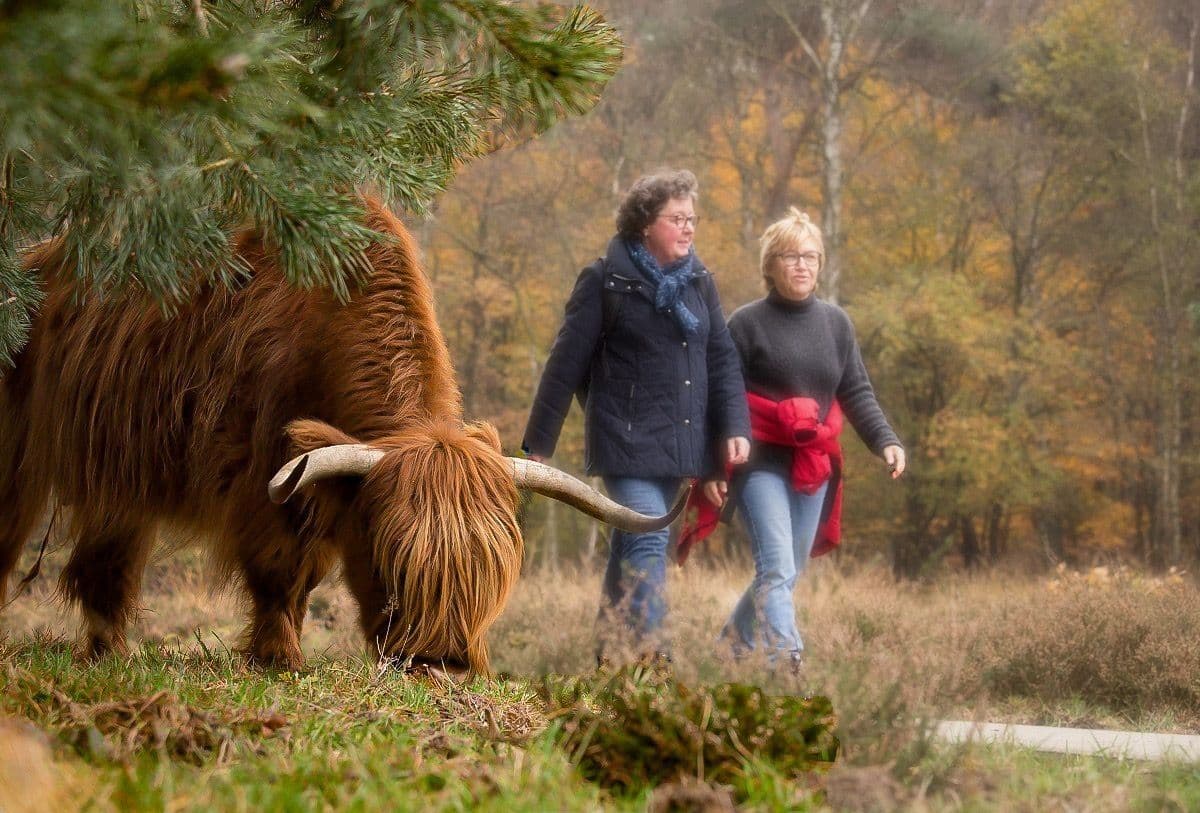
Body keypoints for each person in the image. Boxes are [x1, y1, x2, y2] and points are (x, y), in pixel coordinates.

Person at [522, 169, 751, 661]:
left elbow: (721, 362)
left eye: (692, 219)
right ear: (646, 223)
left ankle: (610, 657)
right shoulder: (606, 281)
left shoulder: (700, 284)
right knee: (648, 534)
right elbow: (565, 367)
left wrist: (731, 430)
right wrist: (538, 446)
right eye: (677, 219)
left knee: (632, 546)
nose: (688, 229)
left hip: (680, 447)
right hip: (623, 443)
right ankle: (652, 661)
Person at [690, 207, 905, 672]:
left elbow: (855, 391)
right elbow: (717, 399)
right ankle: (786, 659)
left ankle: (731, 645)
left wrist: (886, 440)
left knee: (789, 571)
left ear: (821, 264)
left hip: (814, 466)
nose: (802, 265)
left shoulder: (836, 324)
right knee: (777, 568)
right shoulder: (746, 325)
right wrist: (710, 467)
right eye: (790, 256)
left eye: (810, 256)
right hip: (758, 465)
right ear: (770, 265)